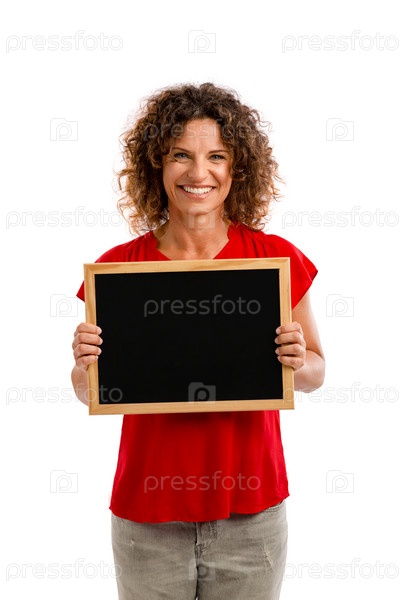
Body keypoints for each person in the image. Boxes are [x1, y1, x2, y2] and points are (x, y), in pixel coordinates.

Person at [71, 82, 325, 600]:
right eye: (180, 155)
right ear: (157, 166)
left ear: (237, 168)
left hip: (251, 511)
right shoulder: (120, 269)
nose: (198, 173)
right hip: (148, 514)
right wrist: (84, 364)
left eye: (216, 157)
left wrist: (297, 360)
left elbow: (316, 372)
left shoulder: (272, 259)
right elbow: (87, 388)